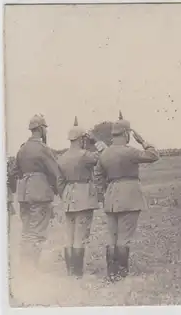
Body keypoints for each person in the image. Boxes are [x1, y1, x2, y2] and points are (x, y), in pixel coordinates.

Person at [94, 112, 159, 282]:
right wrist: (143, 141)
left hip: (111, 196)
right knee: (124, 237)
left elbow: (97, 176)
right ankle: (122, 274)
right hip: (129, 195)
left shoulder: (104, 154)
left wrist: (104, 194)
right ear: (126, 134)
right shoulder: (130, 151)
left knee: (112, 237)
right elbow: (153, 156)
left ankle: (111, 272)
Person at [13, 114, 66, 270]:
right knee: (37, 232)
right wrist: (59, 191)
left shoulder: (22, 148)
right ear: (41, 129)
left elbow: (14, 171)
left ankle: (25, 266)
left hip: (24, 194)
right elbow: (55, 172)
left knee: (27, 231)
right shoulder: (43, 149)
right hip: (39, 193)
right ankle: (32, 268)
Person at [56, 116, 107, 277]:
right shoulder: (85, 155)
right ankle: (77, 273)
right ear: (81, 139)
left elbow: (59, 182)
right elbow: (104, 155)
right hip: (83, 195)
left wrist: (65, 195)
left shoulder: (61, 158)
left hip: (68, 196)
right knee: (80, 236)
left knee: (69, 237)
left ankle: (70, 272)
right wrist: (96, 143)